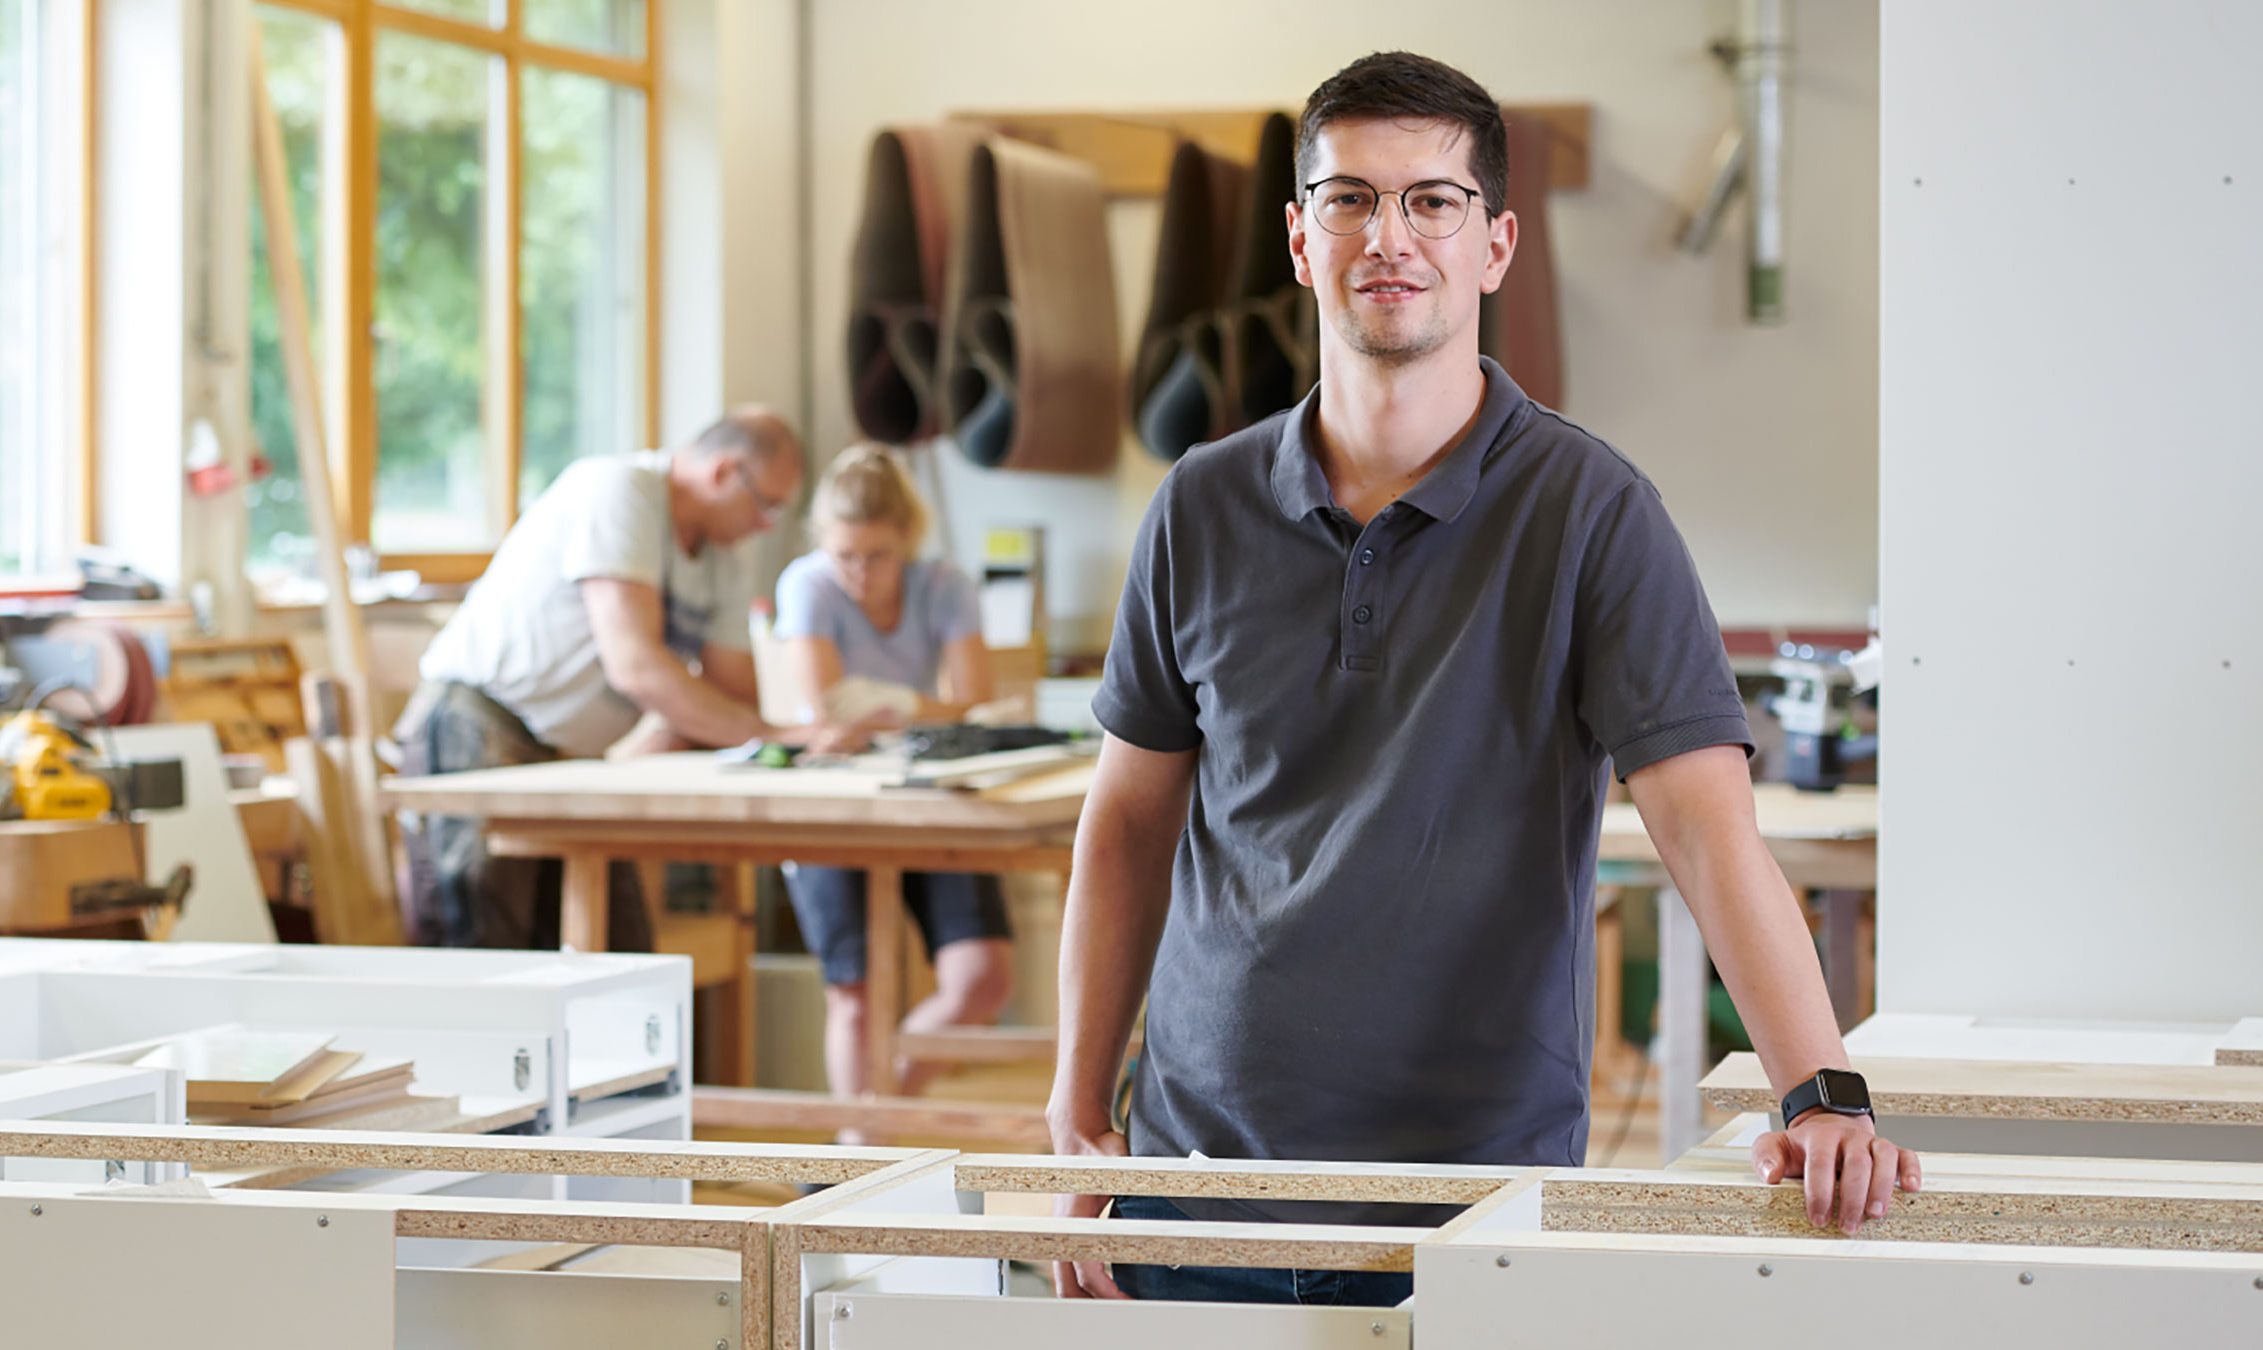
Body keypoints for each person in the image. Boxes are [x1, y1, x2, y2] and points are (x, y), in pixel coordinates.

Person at [1048, 51, 1918, 1307]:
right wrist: (1079, 1120)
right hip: (1200, 1173)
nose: (1386, 236)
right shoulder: (1197, 505)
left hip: (1467, 1194)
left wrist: (1820, 1094)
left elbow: (1707, 832)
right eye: (1347, 199)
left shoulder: (1590, 514)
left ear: (1493, 244)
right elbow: (1127, 824)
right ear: (1298, 240)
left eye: (1430, 202)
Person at [401, 408, 836, 951]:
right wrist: (770, 736)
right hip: (480, 725)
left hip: (568, 756)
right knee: (486, 950)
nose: (766, 524)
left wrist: (751, 736)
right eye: (766, 503)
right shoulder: (618, 491)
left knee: (619, 954)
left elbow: (735, 700)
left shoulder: (723, 562)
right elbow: (633, 664)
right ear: (724, 472)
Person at [771, 446, 1015, 1137]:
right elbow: (827, 709)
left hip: (929, 792)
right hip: (834, 805)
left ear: (908, 537)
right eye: (844, 554)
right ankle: (863, 1157)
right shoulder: (807, 586)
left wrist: (879, 706)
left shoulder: (946, 585)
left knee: (983, 977)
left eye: (876, 556)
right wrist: (912, 704)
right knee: (855, 991)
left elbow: (972, 701)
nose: (859, 573)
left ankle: (868, 1127)